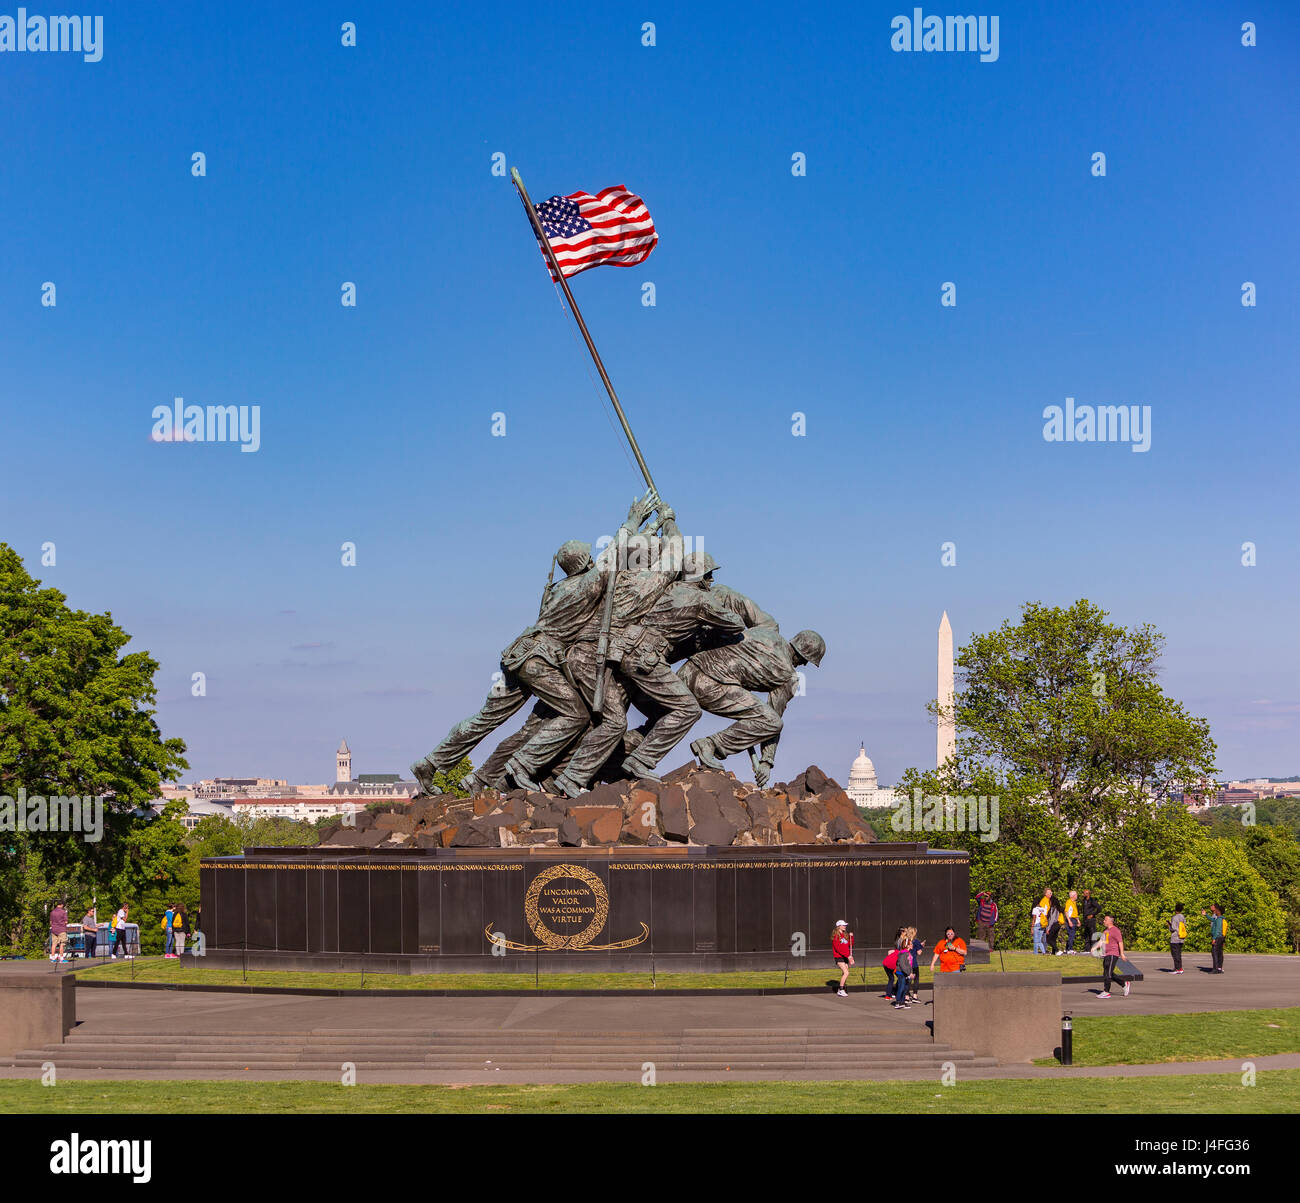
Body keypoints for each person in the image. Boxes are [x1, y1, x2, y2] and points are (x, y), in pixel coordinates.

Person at [1097, 914, 1130, 998]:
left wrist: (1122, 953)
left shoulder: (1116, 930)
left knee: (1108, 973)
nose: (1103, 921)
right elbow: (1101, 941)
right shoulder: (1106, 931)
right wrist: (1094, 949)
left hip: (1113, 954)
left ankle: (1106, 992)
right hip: (1107, 954)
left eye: (1105, 920)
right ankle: (1124, 983)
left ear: (1110, 921)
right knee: (1107, 972)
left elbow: (1120, 942)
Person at [891, 928, 914, 1008]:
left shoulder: (908, 953)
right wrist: (909, 973)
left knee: (905, 987)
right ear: (907, 945)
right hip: (901, 973)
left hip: (906, 973)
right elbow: (902, 965)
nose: (912, 945)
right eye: (911, 944)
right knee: (901, 986)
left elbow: (909, 964)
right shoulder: (903, 953)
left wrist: (911, 973)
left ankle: (902, 1001)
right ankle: (898, 1002)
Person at [831, 920, 854, 997]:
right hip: (839, 957)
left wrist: (851, 937)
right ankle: (841, 990)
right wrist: (848, 956)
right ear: (839, 926)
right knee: (846, 973)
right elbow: (839, 949)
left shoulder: (845, 935)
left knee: (845, 973)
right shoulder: (836, 937)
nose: (845, 926)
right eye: (843, 925)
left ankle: (841, 989)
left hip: (845, 956)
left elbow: (850, 945)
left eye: (845, 925)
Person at [1202, 904, 1226, 973]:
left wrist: (1214, 938)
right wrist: (1206, 914)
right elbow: (1212, 919)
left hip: (1217, 938)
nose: (1215, 911)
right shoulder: (1219, 918)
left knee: (1214, 953)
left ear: (1219, 911)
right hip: (1221, 938)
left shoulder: (1219, 919)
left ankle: (1215, 969)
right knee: (1219, 953)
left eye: (1217, 910)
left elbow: (1217, 930)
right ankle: (1219, 968)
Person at [1081, 889, 1102, 955]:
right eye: (1083, 893)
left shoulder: (1092, 900)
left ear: (1088, 894)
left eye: (1084, 893)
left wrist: (1093, 914)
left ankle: (1094, 949)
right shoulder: (1084, 900)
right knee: (1086, 934)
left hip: (1091, 920)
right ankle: (1087, 949)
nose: (1083, 894)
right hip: (1085, 920)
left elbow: (1099, 908)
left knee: (1093, 934)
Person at [1168, 903, 1187, 974]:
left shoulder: (1174, 917)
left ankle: (1177, 968)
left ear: (1175, 909)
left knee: (1175, 954)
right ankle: (1179, 967)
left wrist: (1169, 926)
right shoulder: (1183, 917)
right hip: (1181, 937)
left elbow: (1172, 929)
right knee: (1179, 953)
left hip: (1175, 937)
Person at [908, 929, 926, 1002]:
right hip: (913, 963)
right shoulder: (916, 941)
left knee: (907, 979)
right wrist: (922, 947)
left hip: (906, 962)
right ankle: (915, 996)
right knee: (916, 979)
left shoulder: (906, 940)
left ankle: (906, 996)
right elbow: (919, 953)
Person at [1063, 890, 1081, 954]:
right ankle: (1070, 949)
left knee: (1071, 935)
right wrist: (1069, 921)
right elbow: (1066, 912)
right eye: (1076, 895)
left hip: (1074, 919)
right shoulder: (1069, 902)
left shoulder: (1074, 902)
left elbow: (1075, 913)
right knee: (1071, 935)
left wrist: (1078, 921)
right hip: (1070, 919)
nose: (1077, 896)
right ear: (1073, 896)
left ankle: (1067, 949)